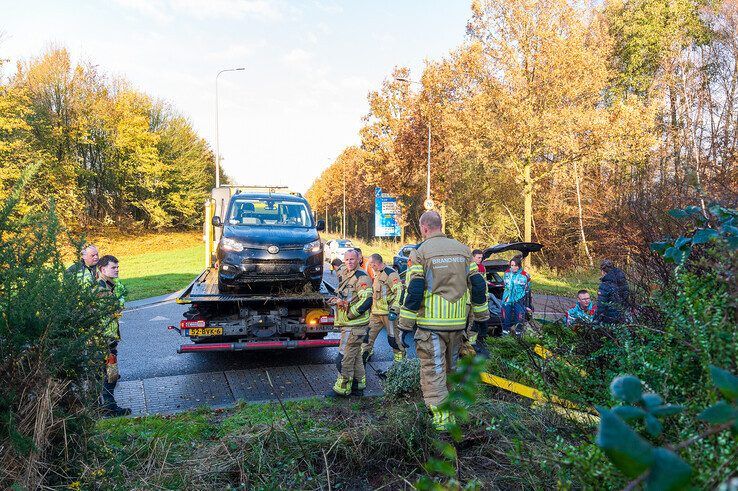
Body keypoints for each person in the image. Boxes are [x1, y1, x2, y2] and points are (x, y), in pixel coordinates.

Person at [399, 211, 489, 430]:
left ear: (424, 227)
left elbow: (415, 289)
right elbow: (478, 285)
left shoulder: (419, 252)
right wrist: (481, 318)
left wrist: (404, 325)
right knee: (450, 370)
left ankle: (442, 421)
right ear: (440, 225)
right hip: (458, 323)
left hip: (432, 325)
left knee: (433, 371)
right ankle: (451, 411)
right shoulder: (463, 250)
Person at [327, 249, 373, 397]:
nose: (349, 262)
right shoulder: (346, 273)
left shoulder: (362, 277)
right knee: (356, 356)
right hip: (350, 325)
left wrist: (350, 313)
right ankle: (358, 386)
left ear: (359, 259)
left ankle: (342, 389)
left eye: (352, 259)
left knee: (343, 358)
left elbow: (367, 300)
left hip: (354, 325)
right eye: (346, 260)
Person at [96, 255, 131, 416]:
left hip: (106, 340)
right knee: (110, 376)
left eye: (117, 267)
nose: (117, 270)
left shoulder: (108, 286)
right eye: (113, 267)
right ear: (103, 269)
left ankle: (104, 408)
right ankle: (109, 409)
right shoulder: (101, 290)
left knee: (107, 376)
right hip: (103, 341)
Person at [361, 254, 404, 363]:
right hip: (375, 314)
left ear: (375, 263)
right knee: (367, 337)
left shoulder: (390, 274)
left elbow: (399, 292)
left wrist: (394, 310)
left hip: (388, 314)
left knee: (394, 340)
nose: (370, 266)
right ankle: (363, 359)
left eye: (371, 264)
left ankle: (400, 363)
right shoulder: (377, 274)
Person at [501, 255, 530, 335]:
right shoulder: (506, 273)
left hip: (519, 300)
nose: (513, 267)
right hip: (507, 299)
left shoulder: (525, 275)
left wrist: (528, 305)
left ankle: (518, 336)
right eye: (512, 265)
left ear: (519, 266)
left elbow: (527, 290)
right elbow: (505, 285)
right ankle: (505, 335)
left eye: (515, 266)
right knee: (506, 319)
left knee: (519, 319)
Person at [594, 260, 629, 324]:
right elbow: (626, 300)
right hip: (622, 318)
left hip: (608, 320)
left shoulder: (605, 285)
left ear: (603, 271)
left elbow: (601, 306)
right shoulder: (624, 282)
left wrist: (595, 321)